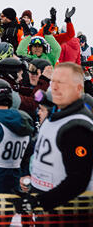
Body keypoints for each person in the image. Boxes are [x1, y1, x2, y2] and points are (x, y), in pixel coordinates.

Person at [16, 63, 93, 220]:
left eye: (62, 83)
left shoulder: (76, 127)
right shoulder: (54, 117)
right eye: (54, 82)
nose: (56, 87)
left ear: (78, 89)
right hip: (49, 209)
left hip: (69, 213)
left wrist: (38, 202)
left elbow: (78, 180)